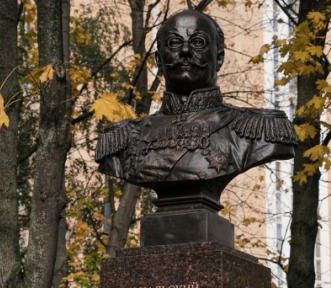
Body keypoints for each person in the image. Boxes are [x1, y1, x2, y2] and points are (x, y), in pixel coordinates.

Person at [95, 9, 297, 209]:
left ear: (219, 58)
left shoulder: (260, 130)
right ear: (159, 60)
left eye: (197, 42)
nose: (184, 51)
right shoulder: (126, 138)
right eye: (174, 43)